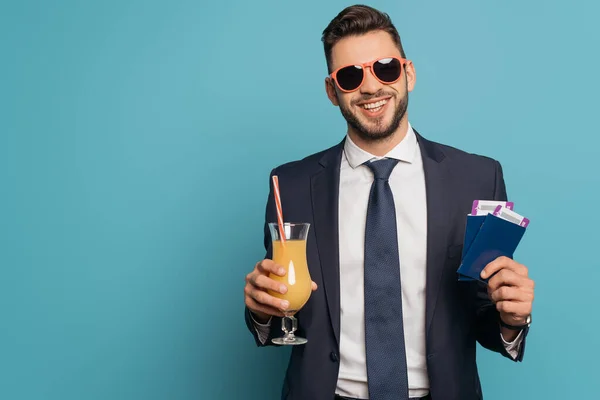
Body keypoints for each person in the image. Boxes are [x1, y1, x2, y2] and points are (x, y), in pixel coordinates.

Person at [243, 4, 535, 400]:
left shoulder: (478, 178)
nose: (370, 87)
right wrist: (261, 312)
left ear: (408, 73)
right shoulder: (290, 186)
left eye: (385, 68)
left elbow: (485, 313)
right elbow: (283, 317)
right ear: (332, 92)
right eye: (349, 76)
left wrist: (512, 320)